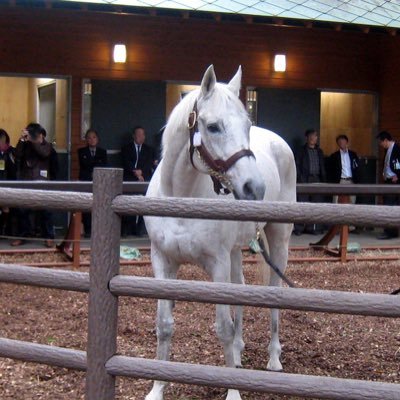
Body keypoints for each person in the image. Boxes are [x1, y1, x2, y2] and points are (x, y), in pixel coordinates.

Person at [11, 123, 55, 247]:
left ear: (40, 134)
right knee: (23, 210)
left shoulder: (47, 145)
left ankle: (49, 237)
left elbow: (44, 153)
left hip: (42, 182)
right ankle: (23, 235)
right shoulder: (26, 145)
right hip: (27, 181)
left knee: (46, 211)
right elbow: (17, 154)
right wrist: (22, 140)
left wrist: (33, 141)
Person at [121, 126, 154, 236]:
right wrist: (135, 172)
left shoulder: (149, 150)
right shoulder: (126, 148)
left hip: (144, 178)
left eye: (142, 135)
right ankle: (127, 230)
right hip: (130, 177)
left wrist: (141, 173)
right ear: (134, 136)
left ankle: (140, 231)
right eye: (138, 135)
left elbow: (149, 163)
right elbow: (126, 162)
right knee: (128, 204)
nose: (141, 137)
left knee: (144, 204)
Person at [294, 129, 327, 235]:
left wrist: (323, 180)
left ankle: (313, 228)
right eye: (311, 136)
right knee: (302, 204)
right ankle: (299, 228)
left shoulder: (319, 151)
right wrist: (300, 179)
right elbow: (297, 166)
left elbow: (322, 166)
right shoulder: (301, 151)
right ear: (307, 138)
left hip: (317, 179)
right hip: (305, 179)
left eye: (315, 136)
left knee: (316, 205)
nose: (314, 138)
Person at [78, 129, 108, 237]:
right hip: (86, 181)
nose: (92, 140)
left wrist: (95, 171)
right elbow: (84, 165)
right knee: (86, 204)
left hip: (99, 182)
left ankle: (98, 229)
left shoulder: (102, 152)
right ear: (86, 140)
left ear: (97, 139)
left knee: (99, 204)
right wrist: (94, 166)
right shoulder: (81, 151)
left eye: (94, 137)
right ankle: (88, 230)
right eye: (89, 138)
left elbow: (103, 165)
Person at [376, 131, 400, 239]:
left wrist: (398, 176)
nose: (381, 145)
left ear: (385, 140)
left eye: (381, 142)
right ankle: (390, 231)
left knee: (390, 207)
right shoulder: (387, 150)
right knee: (388, 205)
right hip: (388, 180)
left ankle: (390, 232)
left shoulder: (397, 149)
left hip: (395, 182)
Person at [328, 134, 359, 204]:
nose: (341, 143)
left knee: (352, 200)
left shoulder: (353, 154)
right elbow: (331, 170)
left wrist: (357, 179)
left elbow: (357, 167)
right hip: (340, 180)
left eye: (343, 141)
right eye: (339, 142)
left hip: (351, 180)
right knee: (335, 200)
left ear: (346, 142)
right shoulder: (334, 156)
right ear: (338, 144)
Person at [0, 129, 17, 237]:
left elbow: (13, 168)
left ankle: (4, 228)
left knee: (6, 208)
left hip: (7, 182)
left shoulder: (11, 151)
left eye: (3, 139)